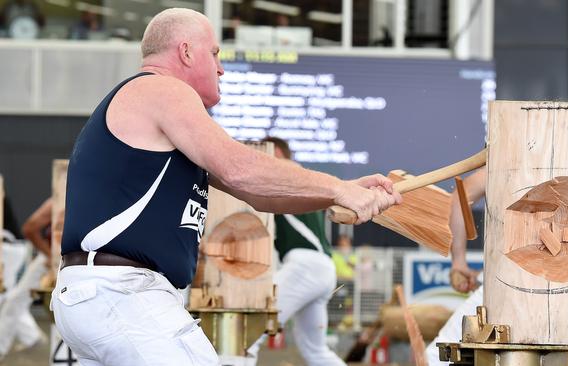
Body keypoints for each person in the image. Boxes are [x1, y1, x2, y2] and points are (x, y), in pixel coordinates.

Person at [50, 8, 401, 366]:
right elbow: (240, 168)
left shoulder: (157, 113)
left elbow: (258, 194)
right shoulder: (163, 89)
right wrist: (340, 188)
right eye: (215, 54)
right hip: (122, 294)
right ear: (186, 52)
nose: (221, 68)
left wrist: (337, 192)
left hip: (105, 295)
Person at [426, 167, 568, 365]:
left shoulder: (509, 167)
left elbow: (458, 199)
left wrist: (459, 262)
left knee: (434, 359)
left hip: (510, 295)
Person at [246, 136, 347, 365]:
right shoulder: (299, 179)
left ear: (277, 155)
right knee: (317, 351)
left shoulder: (284, 174)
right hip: (322, 268)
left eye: (264, 154)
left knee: (247, 333)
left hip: (305, 266)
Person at [0, 198, 51, 360]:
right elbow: (30, 228)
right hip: (50, 258)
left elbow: (30, 228)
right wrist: (51, 256)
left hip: (12, 248)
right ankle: (31, 337)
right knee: (13, 298)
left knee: (9, 297)